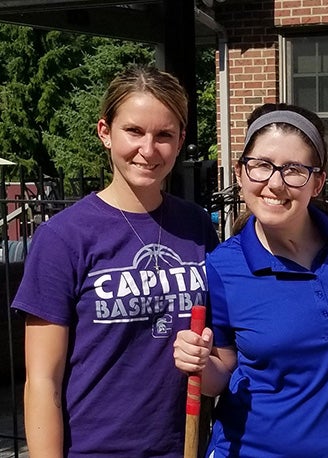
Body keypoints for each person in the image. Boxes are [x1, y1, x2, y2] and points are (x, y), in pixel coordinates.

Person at [11, 65, 219, 457]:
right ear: (105, 132)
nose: (148, 149)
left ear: (180, 141)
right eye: (134, 131)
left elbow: (224, 350)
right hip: (94, 448)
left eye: (164, 135)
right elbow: (42, 380)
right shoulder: (63, 238)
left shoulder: (195, 226)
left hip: (183, 446)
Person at [173, 103, 328, 457]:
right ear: (240, 173)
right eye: (260, 166)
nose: (274, 184)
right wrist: (199, 362)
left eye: (294, 170)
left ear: (318, 182)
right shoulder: (223, 266)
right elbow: (222, 373)